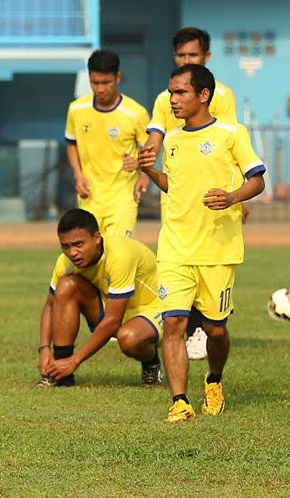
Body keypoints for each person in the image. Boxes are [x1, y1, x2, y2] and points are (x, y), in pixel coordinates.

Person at [137, 64, 265, 423]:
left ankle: (214, 379)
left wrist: (232, 197)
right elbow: (173, 185)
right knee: (174, 324)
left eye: (180, 93)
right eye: (170, 92)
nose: (172, 100)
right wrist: (149, 171)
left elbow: (257, 180)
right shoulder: (173, 140)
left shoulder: (231, 133)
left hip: (218, 249)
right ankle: (180, 401)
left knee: (216, 330)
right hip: (175, 246)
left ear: (203, 95)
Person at [143, 27, 241, 361]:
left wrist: (237, 195)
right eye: (181, 56)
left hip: (212, 200)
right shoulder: (163, 98)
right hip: (176, 191)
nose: (186, 60)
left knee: (207, 275)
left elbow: (227, 145)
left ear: (206, 59)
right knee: (177, 266)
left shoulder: (220, 96)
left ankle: (206, 329)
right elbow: (157, 133)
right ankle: (179, 327)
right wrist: (148, 165)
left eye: (192, 56)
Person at [35, 209, 162, 388]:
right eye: (65, 246)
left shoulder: (120, 255)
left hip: (153, 307)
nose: (72, 253)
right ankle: (59, 374)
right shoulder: (65, 263)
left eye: (78, 244)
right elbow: (50, 305)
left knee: (129, 338)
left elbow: (112, 321)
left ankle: (151, 361)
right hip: (114, 305)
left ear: (96, 238)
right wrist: (45, 349)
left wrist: (75, 361)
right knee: (66, 286)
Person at [64, 50, 149, 238]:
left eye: (106, 83)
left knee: (118, 253)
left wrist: (141, 169)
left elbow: (149, 149)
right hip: (90, 197)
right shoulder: (76, 109)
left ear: (117, 78)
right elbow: (71, 144)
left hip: (123, 197)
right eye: (95, 83)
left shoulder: (136, 113)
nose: (101, 89)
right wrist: (78, 175)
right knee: (92, 257)